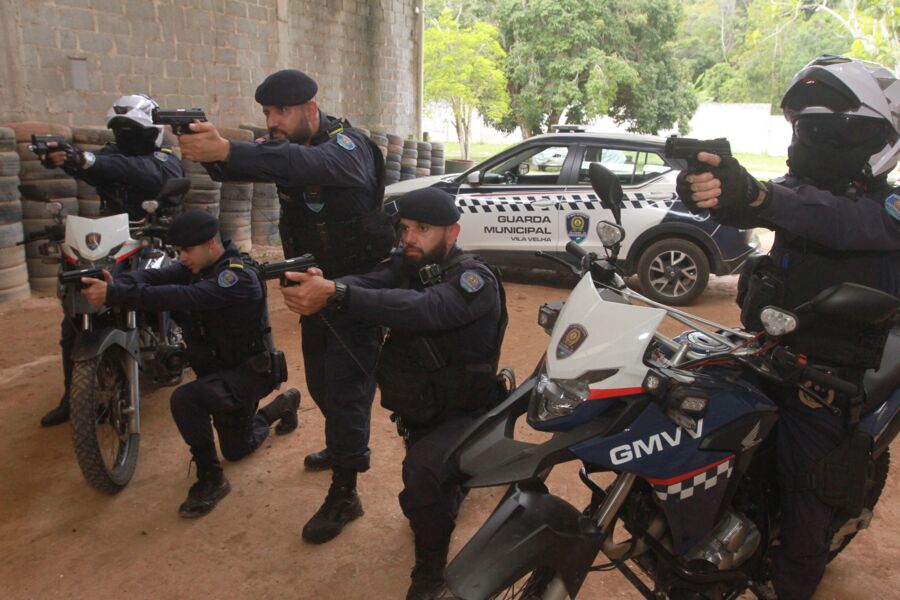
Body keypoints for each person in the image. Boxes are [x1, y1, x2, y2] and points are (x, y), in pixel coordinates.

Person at [676, 55, 900, 599]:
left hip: (828, 377)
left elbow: (830, 220)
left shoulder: (888, 206)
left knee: (807, 506)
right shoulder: (798, 188)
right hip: (763, 352)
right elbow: (770, 204)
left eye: (822, 129)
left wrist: (759, 197)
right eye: (801, 127)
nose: (807, 139)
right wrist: (711, 189)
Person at [177, 69, 394, 541]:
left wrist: (231, 150)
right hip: (311, 286)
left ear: (310, 110)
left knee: (347, 391)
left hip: (356, 290)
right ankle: (339, 453)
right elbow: (272, 162)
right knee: (319, 381)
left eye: (281, 112)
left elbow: (303, 165)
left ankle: (346, 491)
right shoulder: (292, 147)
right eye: (267, 113)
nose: (272, 121)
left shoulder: (348, 147)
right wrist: (213, 153)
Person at [280, 188, 507, 599]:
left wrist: (338, 294)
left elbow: (429, 308)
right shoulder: (410, 264)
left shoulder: (474, 279)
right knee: (425, 494)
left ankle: (431, 571)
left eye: (424, 229)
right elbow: (371, 282)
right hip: (423, 410)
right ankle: (452, 483)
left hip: (465, 410)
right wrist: (327, 284)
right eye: (406, 228)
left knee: (420, 480)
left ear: (451, 232)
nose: (411, 238)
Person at [80, 210, 301, 517]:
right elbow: (155, 276)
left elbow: (185, 297)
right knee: (238, 449)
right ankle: (284, 405)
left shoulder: (236, 277)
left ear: (211, 243)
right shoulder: (197, 266)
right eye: (177, 251)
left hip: (249, 374)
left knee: (186, 399)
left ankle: (211, 479)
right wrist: (116, 280)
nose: (181, 258)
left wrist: (116, 293)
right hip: (220, 375)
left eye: (186, 251)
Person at [38, 93, 185, 427]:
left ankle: (177, 349)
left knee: (173, 283)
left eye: (132, 130)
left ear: (152, 132)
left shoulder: (165, 156)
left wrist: (89, 160)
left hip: (159, 232)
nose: (125, 137)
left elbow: (150, 175)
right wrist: (67, 160)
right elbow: (101, 168)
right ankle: (72, 395)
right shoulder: (111, 155)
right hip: (115, 234)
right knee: (78, 302)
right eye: (120, 130)